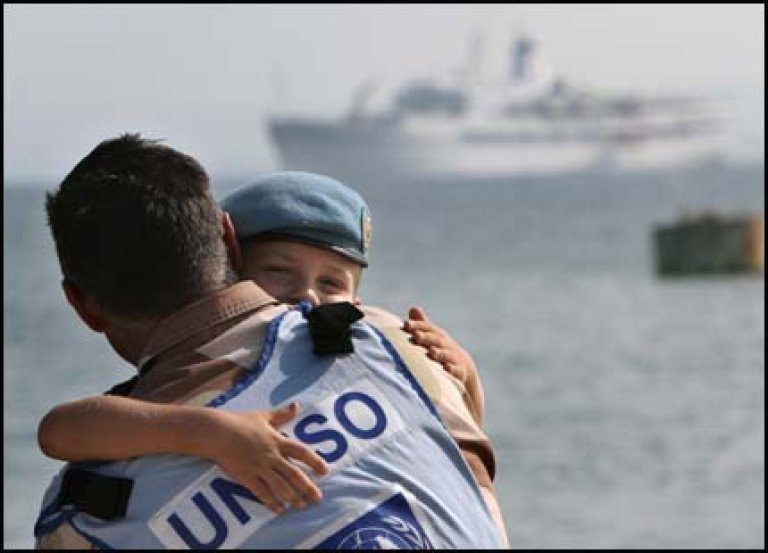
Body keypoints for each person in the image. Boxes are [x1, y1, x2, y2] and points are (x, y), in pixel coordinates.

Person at [34, 139, 508, 548]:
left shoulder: (89, 513)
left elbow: (59, 430)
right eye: (280, 272)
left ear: (81, 306)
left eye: (330, 283)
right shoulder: (397, 346)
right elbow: (473, 487)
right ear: (228, 241)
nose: (307, 298)